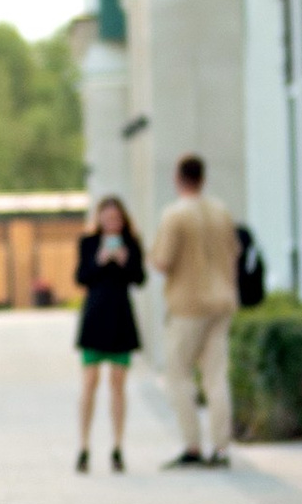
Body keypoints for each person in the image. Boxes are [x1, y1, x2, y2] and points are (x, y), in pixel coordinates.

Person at [153, 152, 240, 467]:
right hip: (222, 301)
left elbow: (162, 261)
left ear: (178, 178)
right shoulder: (221, 211)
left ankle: (192, 445)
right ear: (202, 177)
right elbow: (235, 251)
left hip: (189, 304)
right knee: (216, 376)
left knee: (177, 374)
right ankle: (221, 447)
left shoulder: (174, 215)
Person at [73, 196, 143, 473]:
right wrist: (100, 260)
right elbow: (81, 277)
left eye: (116, 218)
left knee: (118, 385)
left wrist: (125, 260)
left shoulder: (132, 244)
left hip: (121, 320)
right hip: (94, 319)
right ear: (99, 219)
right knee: (89, 382)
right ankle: (84, 446)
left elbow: (139, 278)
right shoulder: (88, 243)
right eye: (107, 217)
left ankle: (117, 446)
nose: (112, 222)